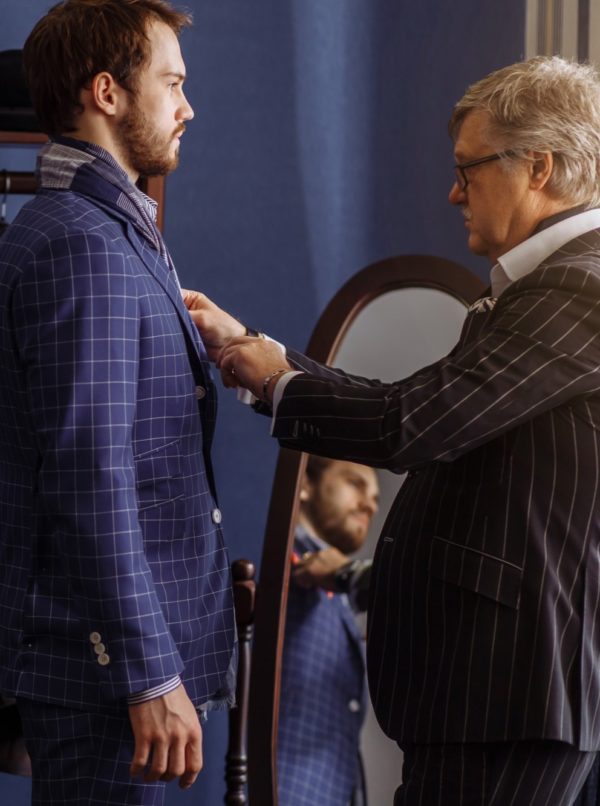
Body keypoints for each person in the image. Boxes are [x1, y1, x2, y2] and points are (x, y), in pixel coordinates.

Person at [184, 55, 600, 805]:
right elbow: (422, 404)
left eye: (468, 171)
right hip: (487, 701)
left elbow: (413, 422)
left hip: (506, 700)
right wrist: (257, 351)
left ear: (538, 166)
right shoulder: (551, 285)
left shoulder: (581, 285)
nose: (453, 193)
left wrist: (277, 380)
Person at [0, 1, 237, 803]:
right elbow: (89, 477)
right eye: (170, 83)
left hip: (107, 671)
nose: (186, 107)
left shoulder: (111, 231)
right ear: (107, 92)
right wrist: (146, 676)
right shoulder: (82, 243)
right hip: (104, 680)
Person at [279, 456, 379, 806]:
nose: (369, 503)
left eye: (376, 498)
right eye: (355, 483)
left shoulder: (340, 593)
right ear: (305, 484)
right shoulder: (275, 562)